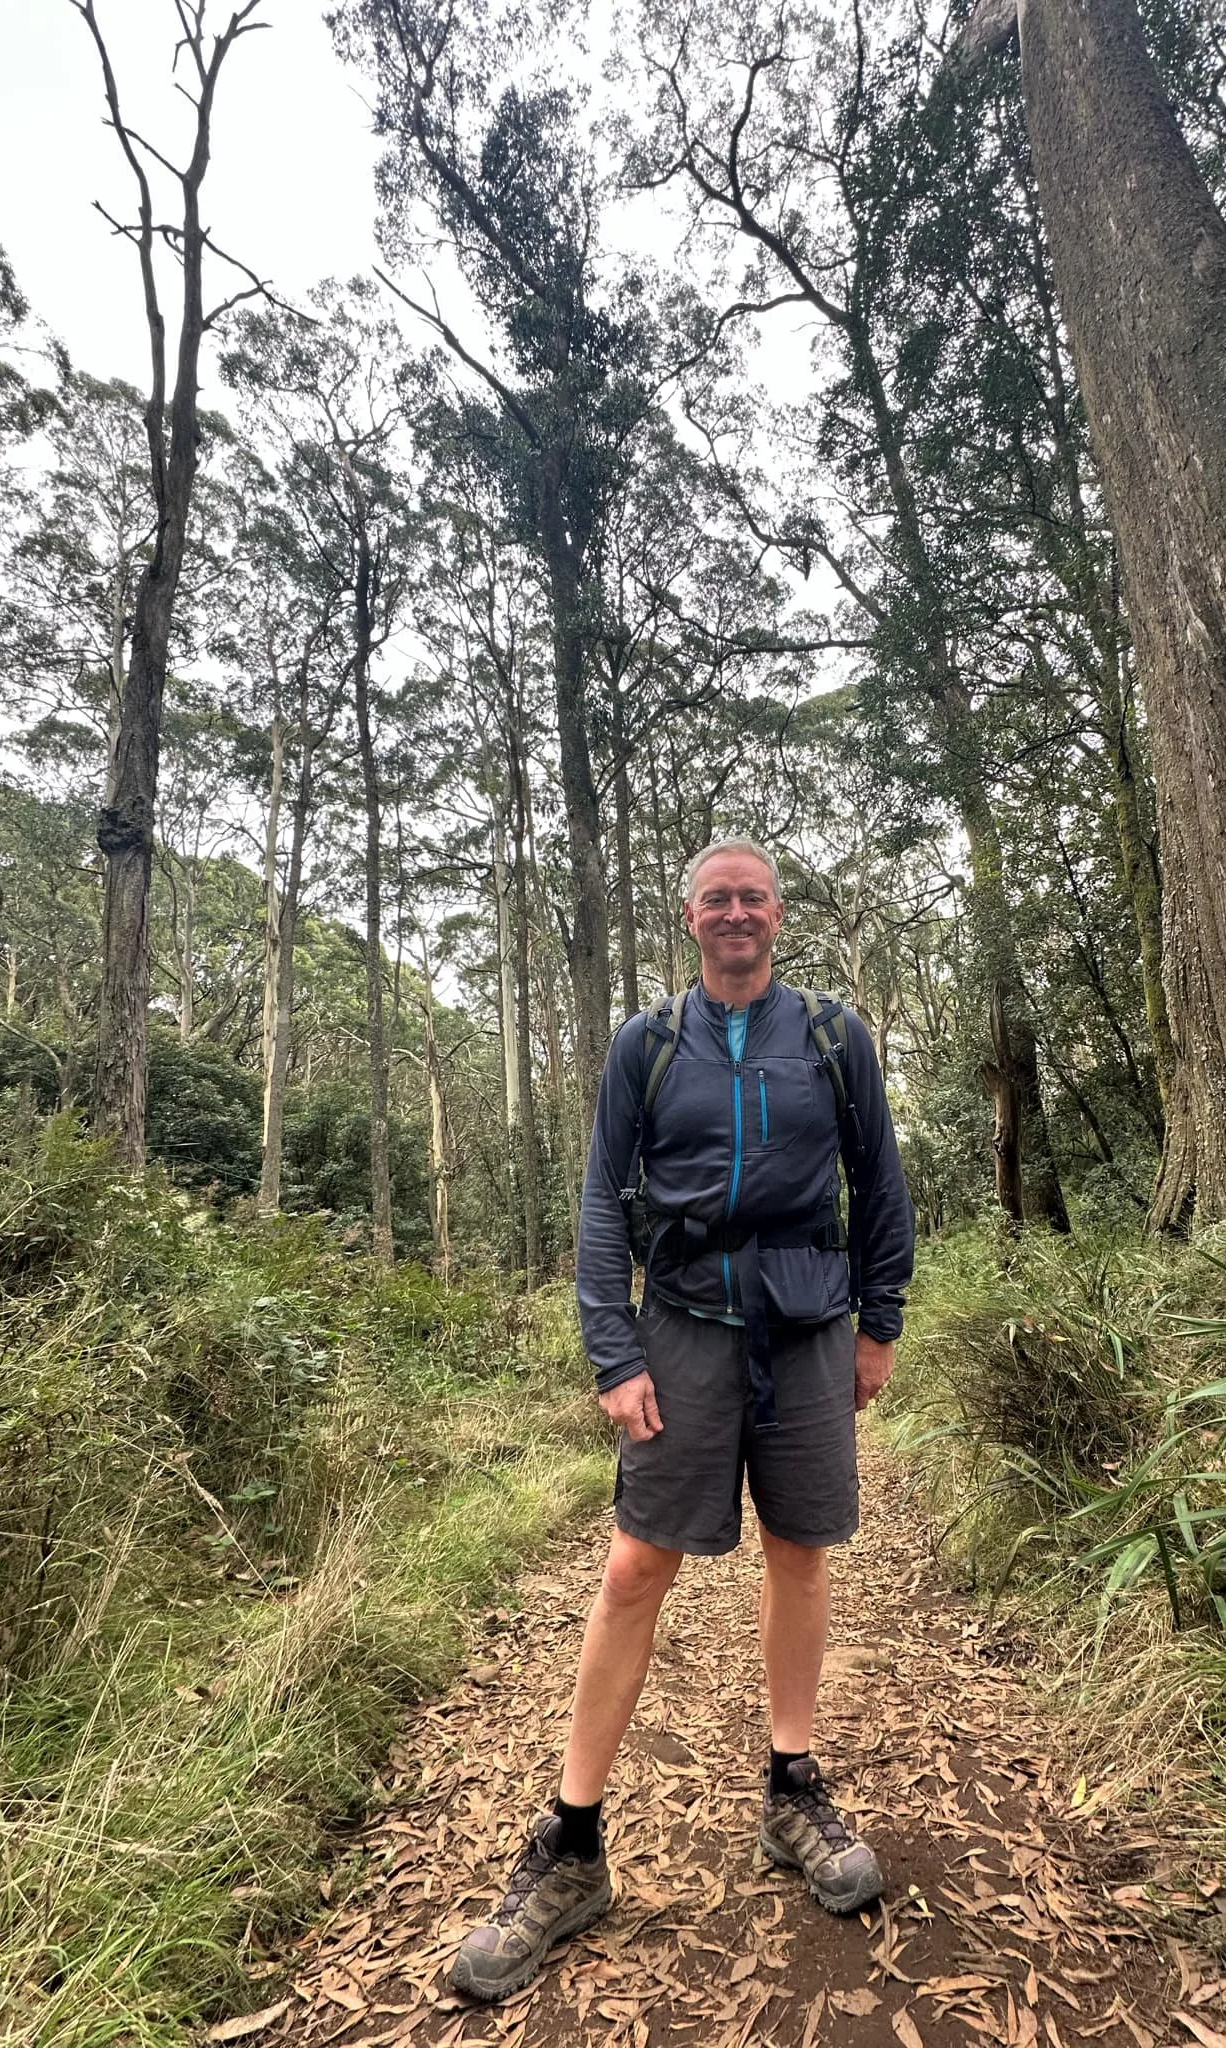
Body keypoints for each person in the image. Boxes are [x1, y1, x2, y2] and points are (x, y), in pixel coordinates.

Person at [451, 836, 915, 2003]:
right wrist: (614, 1349)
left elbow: (880, 1181)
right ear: (691, 917)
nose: (737, 914)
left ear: (779, 913)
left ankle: (792, 1789)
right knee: (632, 1566)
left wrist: (879, 1323)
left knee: (799, 1550)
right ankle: (571, 1842)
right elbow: (604, 1202)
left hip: (809, 1324)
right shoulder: (647, 1046)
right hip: (685, 1328)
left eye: (754, 896)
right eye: (718, 898)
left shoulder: (834, 1035)